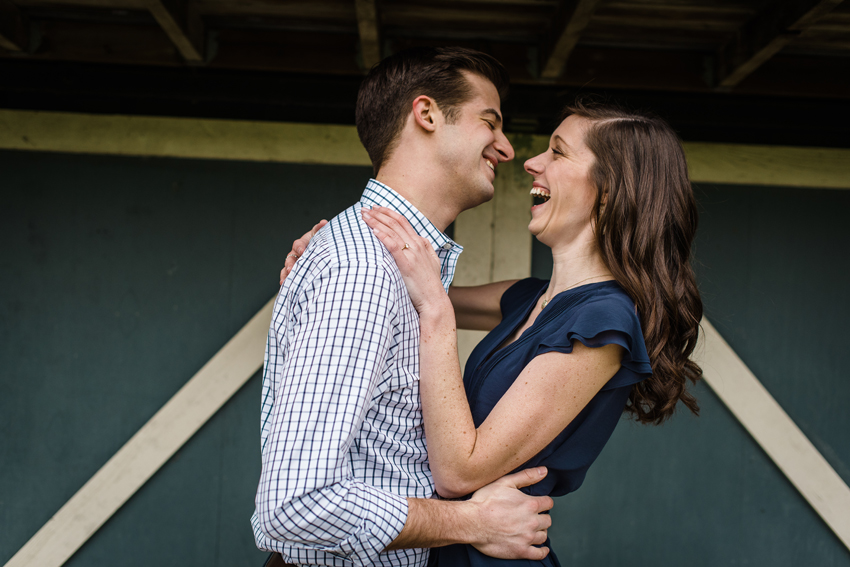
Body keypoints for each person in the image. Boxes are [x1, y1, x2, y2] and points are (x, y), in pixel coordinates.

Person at [287, 100, 703, 566]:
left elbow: (460, 471)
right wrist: (326, 257)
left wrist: (438, 316)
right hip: (454, 546)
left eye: (558, 153)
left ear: (609, 193)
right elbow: (403, 283)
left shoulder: (604, 323)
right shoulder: (530, 298)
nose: (531, 162)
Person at [252, 47, 556, 567]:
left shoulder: (389, 265)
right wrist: (470, 523)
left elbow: (537, 301)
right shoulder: (362, 270)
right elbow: (294, 506)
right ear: (428, 114)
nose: (506, 148)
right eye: (491, 122)